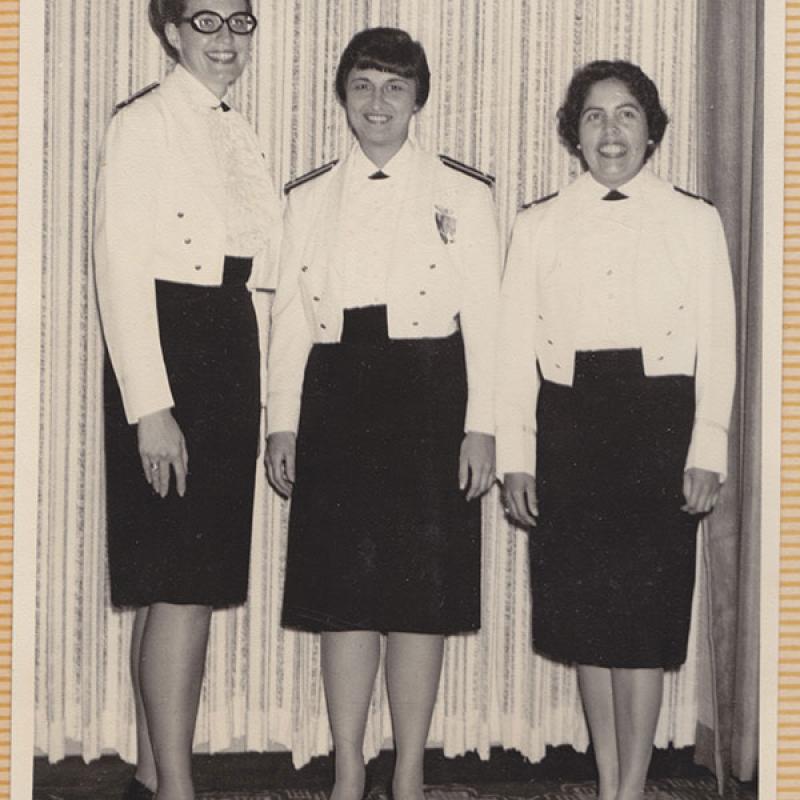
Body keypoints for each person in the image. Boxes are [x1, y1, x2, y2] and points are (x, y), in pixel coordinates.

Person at [265, 27, 500, 800]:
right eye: (364, 85)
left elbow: (489, 320)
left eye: (395, 87)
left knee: (419, 599)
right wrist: (282, 421)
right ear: (344, 95)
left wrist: (483, 425)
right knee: (345, 599)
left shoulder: (464, 194)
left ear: (417, 99)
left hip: (431, 394)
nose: (378, 103)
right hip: (336, 393)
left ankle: (408, 769)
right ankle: (347, 765)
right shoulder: (305, 196)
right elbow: (291, 322)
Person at [496, 60, 736, 800]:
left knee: (644, 624)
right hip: (571, 426)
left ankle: (630, 787)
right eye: (595, 116)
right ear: (575, 132)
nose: (610, 131)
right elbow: (511, 352)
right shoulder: (538, 224)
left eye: (626, 114)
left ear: (651, 129)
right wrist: (517, 457)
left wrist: (708, 446)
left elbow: (719, 345)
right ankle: (609, 780)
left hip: (659, 426)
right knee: (587, 625)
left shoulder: (695, 220)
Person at [93, 1, 281, 798]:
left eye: (240, 22)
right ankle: (177, 786)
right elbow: (119, 265)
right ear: (170, 32)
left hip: (228, 347)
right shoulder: (141, 124)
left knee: (184, 579)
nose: (225, 40)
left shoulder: (239, 132)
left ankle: (149, 770)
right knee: (181, 585)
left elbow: (261, 271)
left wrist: (270, 392)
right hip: (170, 352)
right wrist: (151, 406)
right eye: (205, 22)